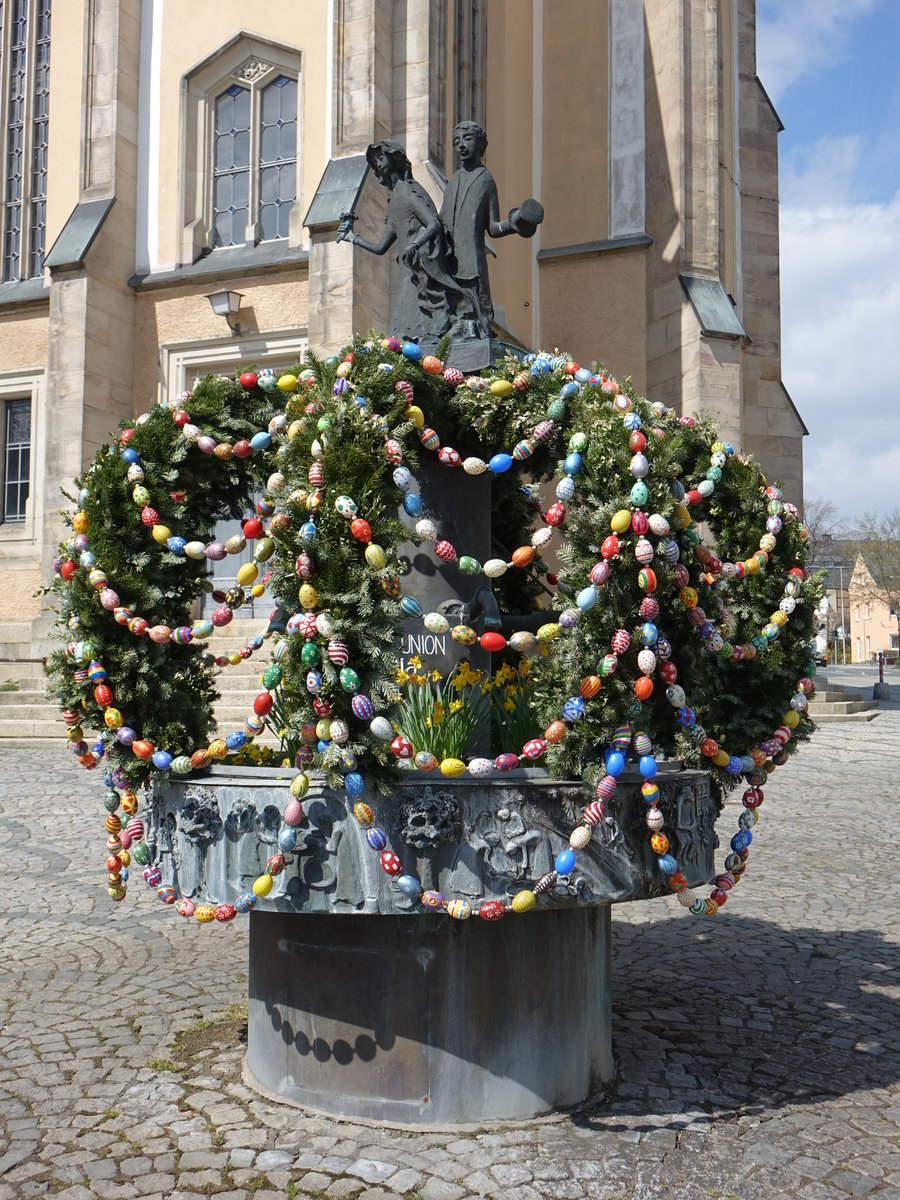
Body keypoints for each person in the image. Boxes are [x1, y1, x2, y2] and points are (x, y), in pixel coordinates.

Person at [336, 140, 476, 345]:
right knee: (403, 333)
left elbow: (434, 224)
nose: (379, 164)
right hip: (408, 271)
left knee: (419, 331)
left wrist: (414, 243)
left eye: (381, 158)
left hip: (422, 267)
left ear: (394, 157)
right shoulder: (394, 200)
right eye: (375, 162)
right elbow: (381, 247)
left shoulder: (408, 191)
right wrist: (353, 238)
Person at [439, 121, 544, 338]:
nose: (461, 146)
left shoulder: (485, 180)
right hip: (450, 259)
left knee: (473, 313)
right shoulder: (454, 181)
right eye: (456, 142)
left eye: (467, 139)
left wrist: (516, 221)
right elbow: (442, 219)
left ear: (481, 144)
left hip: (472, 260)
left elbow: (494, 228)